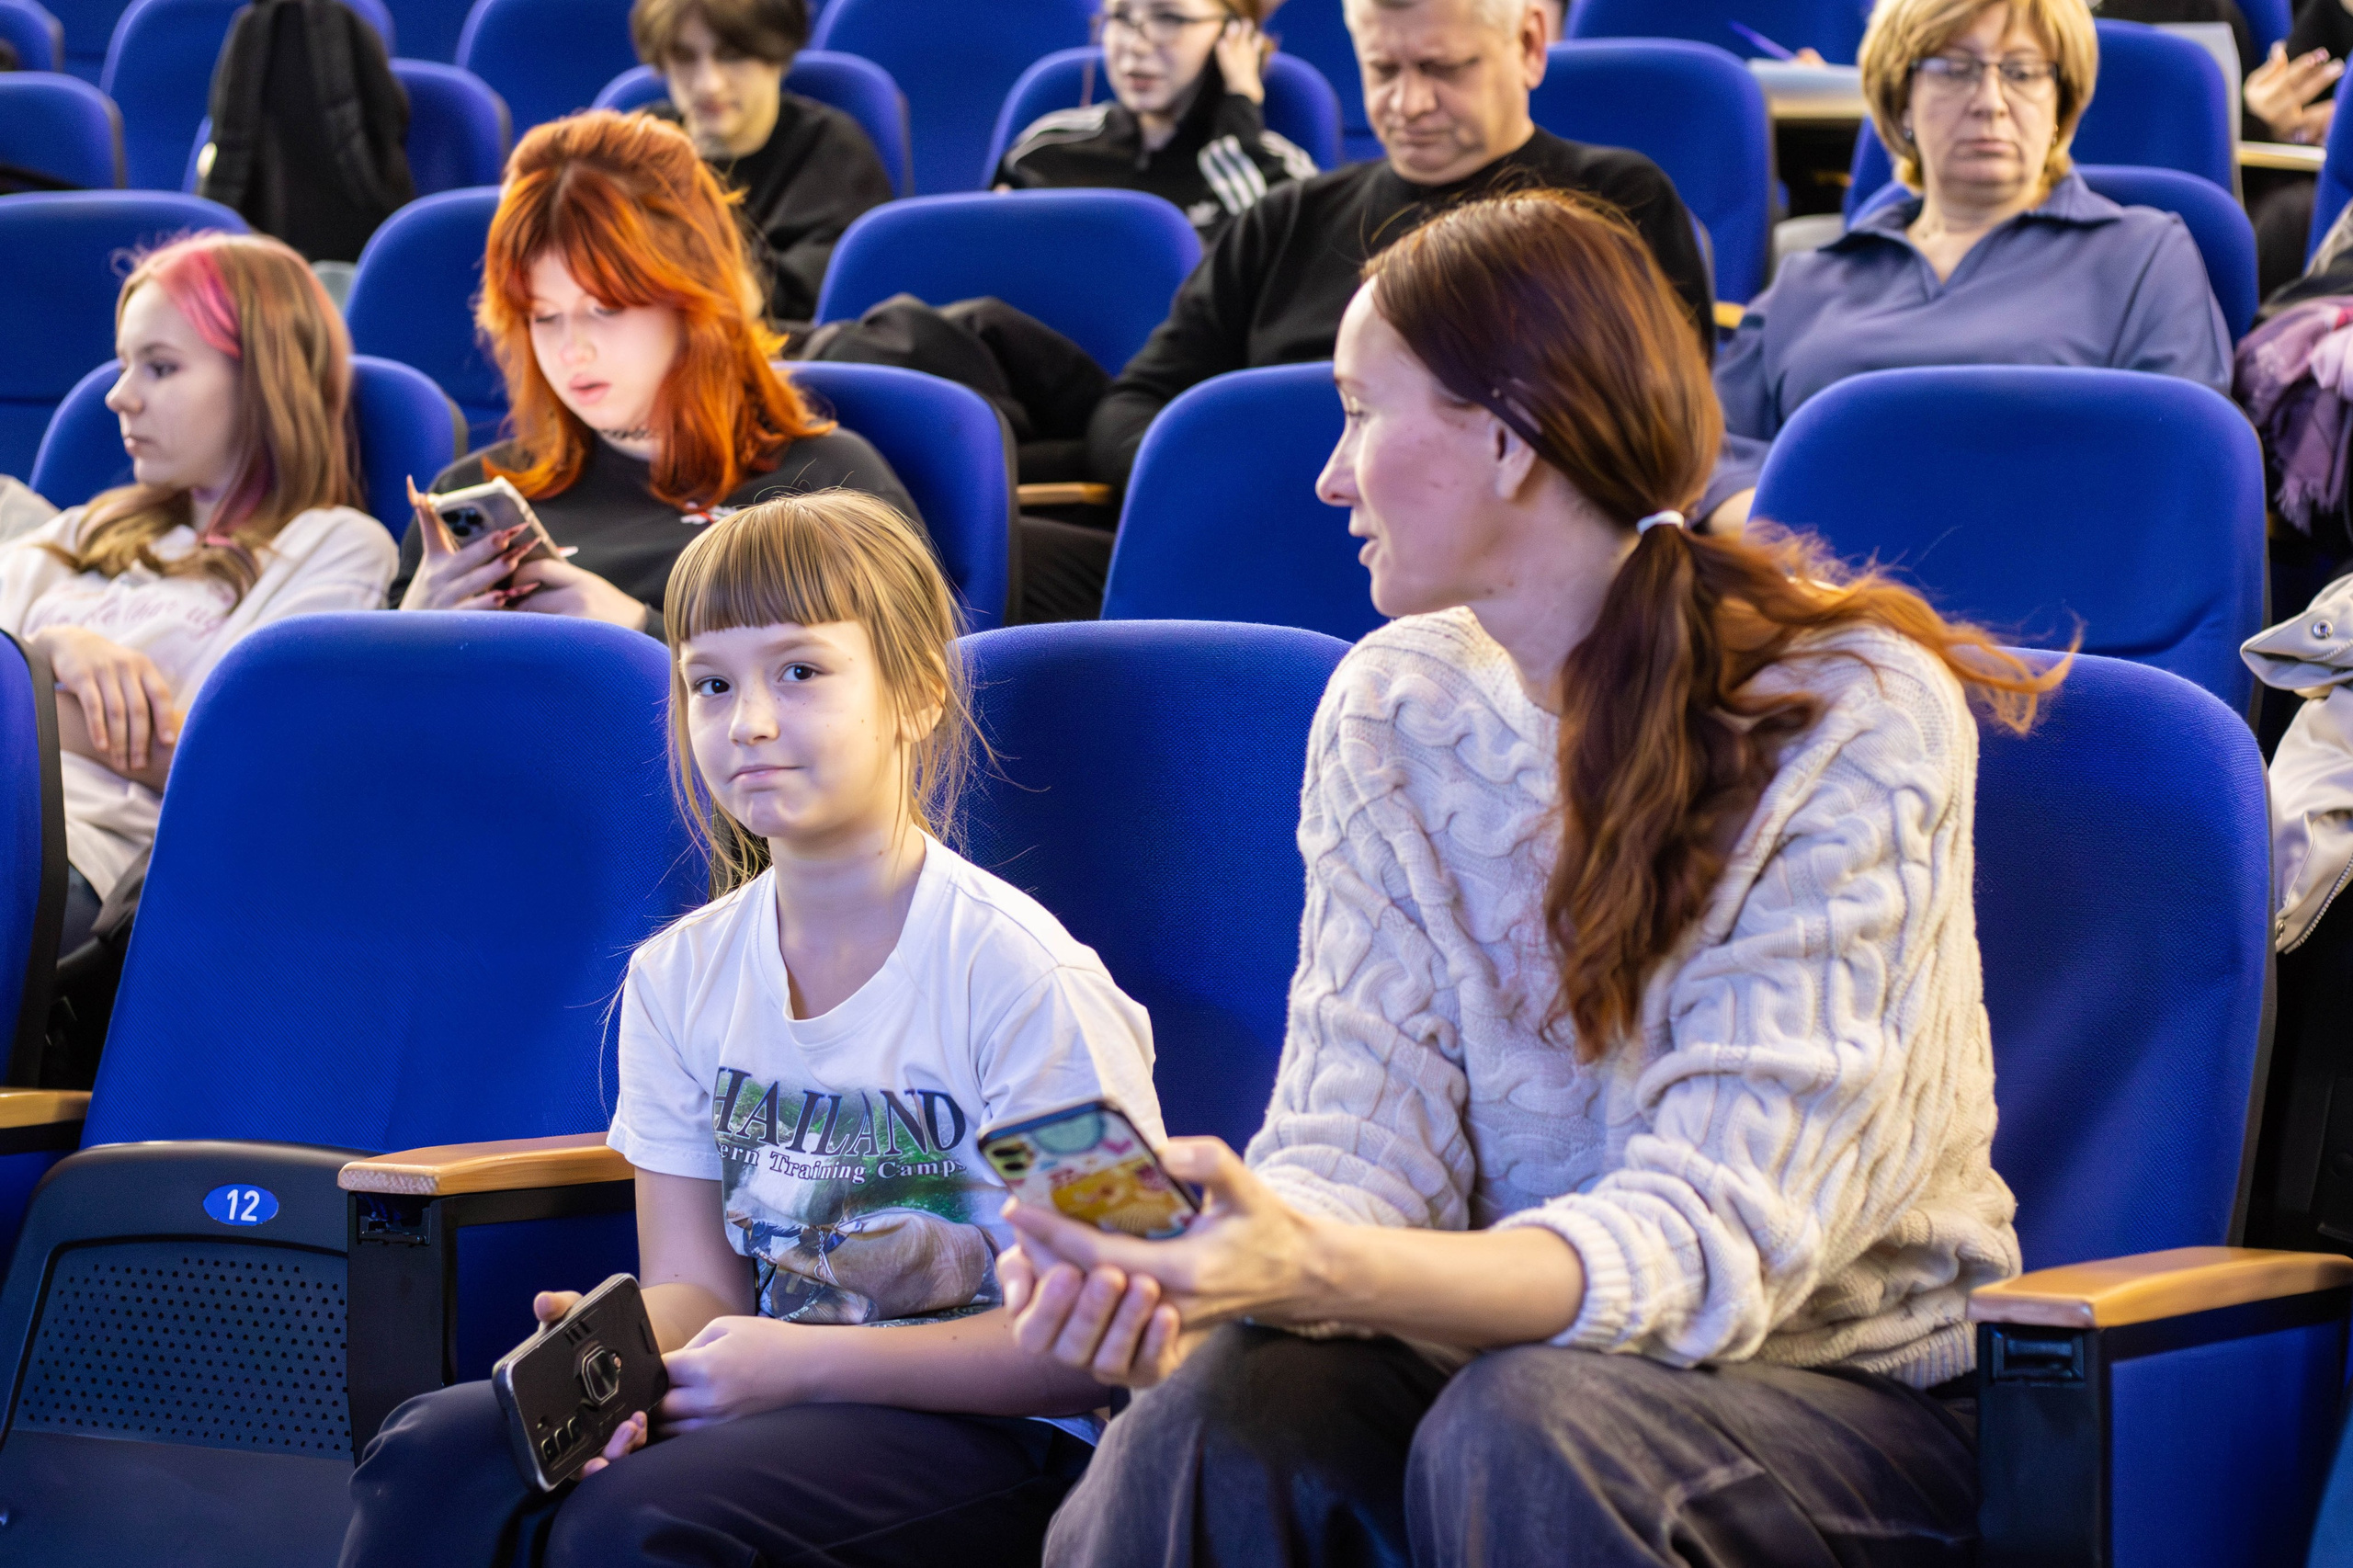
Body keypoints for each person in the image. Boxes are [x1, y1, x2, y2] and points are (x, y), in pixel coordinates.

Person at [1005, 187, 2058, 1566]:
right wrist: (1220, 1269)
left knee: (1524, 1420)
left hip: (1851, 1400)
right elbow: (1359, 1149)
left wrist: (1317, 1266)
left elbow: (1716, 1248)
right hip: (1501, 1367)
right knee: (1223, 1396)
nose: (1331, 475)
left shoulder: (1848, 712)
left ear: (1506, 439)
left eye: (1361, 415)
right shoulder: (1392, 703)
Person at [341, 491, 1166, 1568]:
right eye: (711, 684)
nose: (751, 722)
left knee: (630, 1527)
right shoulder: (678, 976)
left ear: (917, 694)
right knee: (435, 1454)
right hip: (775, 1399)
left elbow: (1116, 1343)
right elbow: (699, 1287)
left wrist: (800, 1364)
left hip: (1005, 1435)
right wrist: (625, 1354)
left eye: (801, 672)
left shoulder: (1020, 978)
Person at [1084, 0, 1714, 492]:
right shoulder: (1284, 220)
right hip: (1258, 540)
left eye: (1443, 68)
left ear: (1528, 46)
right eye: (1383, 70)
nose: (1409, 104)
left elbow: (1663, 428)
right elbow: (1133, 405)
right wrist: (1224, 478)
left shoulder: (1610, 202)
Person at [0, 232, 395, 957]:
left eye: (159, 367)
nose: (118, 395)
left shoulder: (332, 543)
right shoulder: (85, 527)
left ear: (262, 382)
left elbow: (231, 761)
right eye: (124, 366)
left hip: (73, 858)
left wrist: (20, 698)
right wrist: (54, 654)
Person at [1704, 0, 2232, 529]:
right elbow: (1705, 462)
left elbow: (2178, 470)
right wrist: (1795, 558)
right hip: (1816, 593)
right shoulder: (1810, 278)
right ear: (1901, 100)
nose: (1990, 101)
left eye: (2022, 72)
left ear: (2059, 104)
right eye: (1955, 69)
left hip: (2050, 587)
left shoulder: (2144, 256)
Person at [392, 111, 916, 639]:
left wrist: (637, 631)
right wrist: (405, 642)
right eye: (543, 317)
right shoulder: (470, 494)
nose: (572, 351)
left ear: (692, 301)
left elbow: (904, 694)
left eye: (606, 309)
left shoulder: (832, 486)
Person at [630, 0, 892, 326]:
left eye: (733, 55)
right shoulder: (631, 154)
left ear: (778, 55)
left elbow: (837, 298)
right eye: (684, 57)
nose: (709, 84)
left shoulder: (835, 155)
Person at [994, 0, 1320, 244]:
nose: (1135, 46)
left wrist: (1239, 114)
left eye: (1169, 17)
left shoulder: (1279, 173)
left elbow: (1271, 278)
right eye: (1120, 17)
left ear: (1236, 36)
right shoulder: (1045, 146)